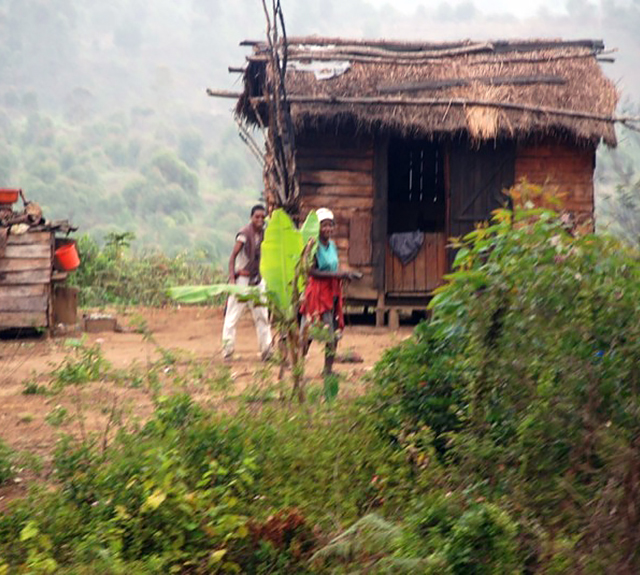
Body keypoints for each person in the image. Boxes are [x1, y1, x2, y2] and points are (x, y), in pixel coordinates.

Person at [300, 208, 361, 376]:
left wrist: (345, 274)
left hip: (332, 292)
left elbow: (334, 266)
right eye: (323, 225)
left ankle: (328, 370)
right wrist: (338, 274)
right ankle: (298, 365)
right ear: (317, 228)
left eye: (329, 225)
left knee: (333, 332)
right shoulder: (313, 246)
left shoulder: (332, 245)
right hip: (318, 293)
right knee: (316, 330)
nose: (327, 229)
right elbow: (311, 271)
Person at [222, 204, 272, 360]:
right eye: (257, 217)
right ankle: (228, 351)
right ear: (251, 218)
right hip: (242, 279)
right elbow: (233, 257)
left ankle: (267, 351)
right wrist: (232, 279)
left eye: (262, 217)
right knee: (232, 316)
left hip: (258, 280)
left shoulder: (265, 235)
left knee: (262, 315)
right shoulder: (244, 234)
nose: (260, 220)